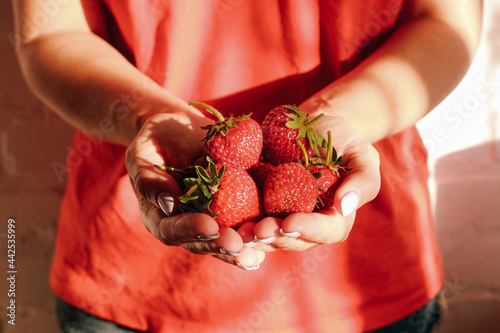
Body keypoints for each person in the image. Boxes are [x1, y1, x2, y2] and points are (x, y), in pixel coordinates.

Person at [13, 0, 482, 332]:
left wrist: (331, 120)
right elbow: (51, 32)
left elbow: (444, 20)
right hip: (129, 280)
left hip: (369, 280)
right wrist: (149, 119)